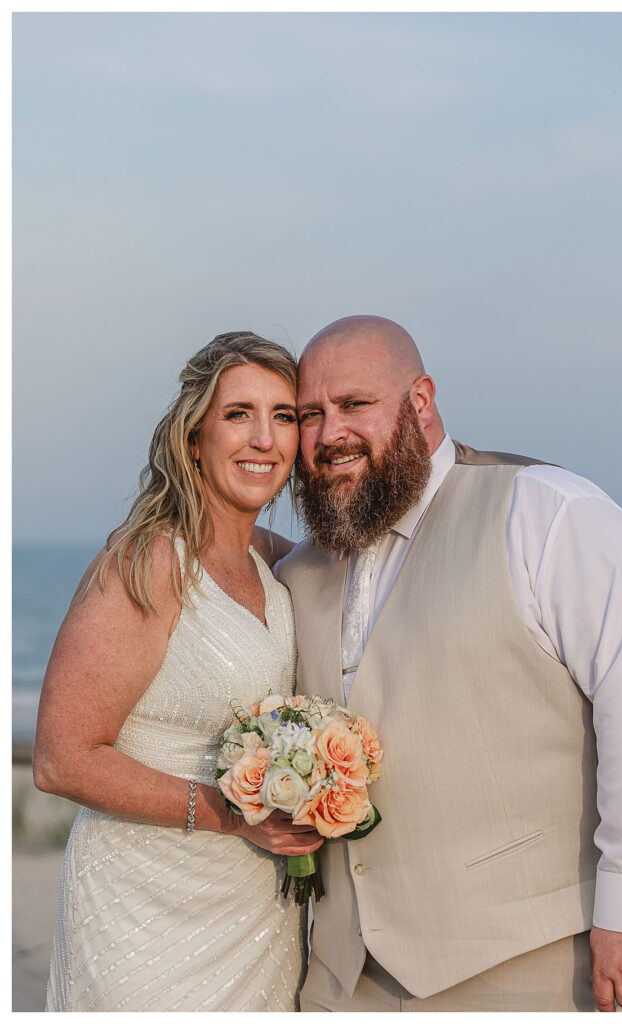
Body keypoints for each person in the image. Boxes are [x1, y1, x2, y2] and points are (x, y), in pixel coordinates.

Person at [276, 314, 622, 1013]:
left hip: (531, 962)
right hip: (340, 977)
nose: (329, 433)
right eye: (310, 414)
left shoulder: (546, 511)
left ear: (421, 402)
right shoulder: (300, 570)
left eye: (354, 405)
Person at [33, 331, 322, 1012]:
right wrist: (232, 815)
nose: (263, 438)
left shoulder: (278, 564)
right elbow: (59, 759)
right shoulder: (149, 562)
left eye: (283, 416)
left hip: (258, 917)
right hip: (143, 912)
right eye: (238, 414)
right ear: (195, 438)